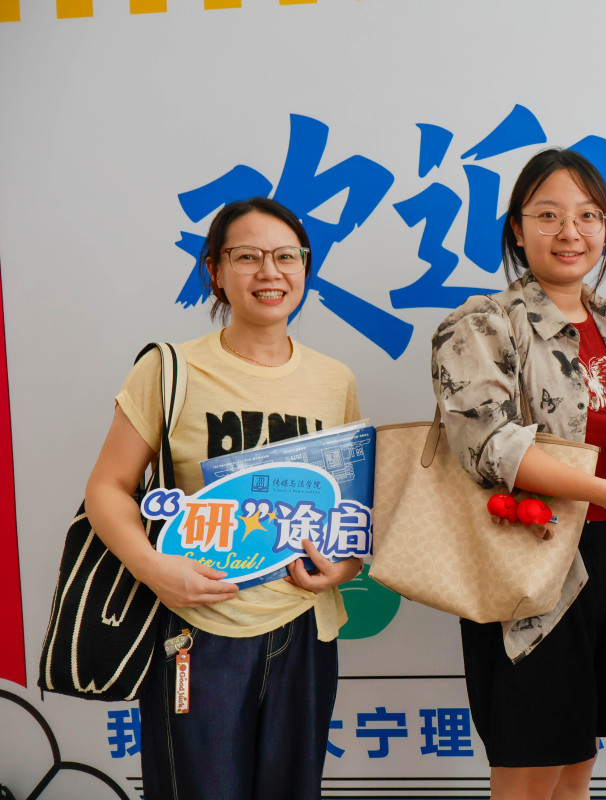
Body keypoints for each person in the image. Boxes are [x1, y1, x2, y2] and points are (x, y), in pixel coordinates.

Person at [84, 197, 362, 800]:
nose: (270, 272)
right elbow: (107, 487)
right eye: (248, 257)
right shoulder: (171, 369)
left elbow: (347, 512)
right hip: (198, 626)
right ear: (214, 269)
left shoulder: (334, 379)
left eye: (287, 256)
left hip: (304, 628)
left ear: (305, 267)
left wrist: (343, 567)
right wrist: (154, 569)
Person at [432, 148, 606, 800]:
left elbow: (585, 441)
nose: (571, 232)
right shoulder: (483, 323)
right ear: (517, 228)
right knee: (530, 769)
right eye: (548, 215)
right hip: (531, 562)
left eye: (588, 215)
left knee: (577, 766)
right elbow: (492, 446)